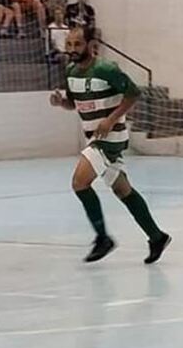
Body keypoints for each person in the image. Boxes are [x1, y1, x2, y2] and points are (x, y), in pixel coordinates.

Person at [49, 26, 171, 263]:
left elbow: (133, 94)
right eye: (69, 44)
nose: (72, 49)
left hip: (110, 137)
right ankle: (157, 236)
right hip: (93, 137)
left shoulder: (106, 69)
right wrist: (60, 102)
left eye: (77, 44)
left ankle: (103, 238)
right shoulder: (71, 71)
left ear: (90, 45)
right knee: (122, 189)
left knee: (79, 183)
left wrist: (111, 119)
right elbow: (73, 104)